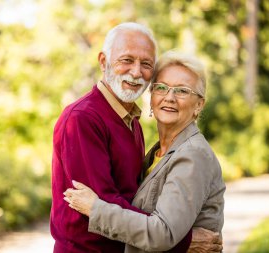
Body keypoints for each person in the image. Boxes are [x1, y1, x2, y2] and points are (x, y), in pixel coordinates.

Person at [51, 22, 222, 253]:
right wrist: (183, 242)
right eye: (127, 60)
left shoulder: (132, 122)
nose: (136, 72)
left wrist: (171, 237)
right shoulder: (82, 119)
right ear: (103, 62)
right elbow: (103, 203)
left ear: (199, 104)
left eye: (146, 64)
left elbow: (129, 204)